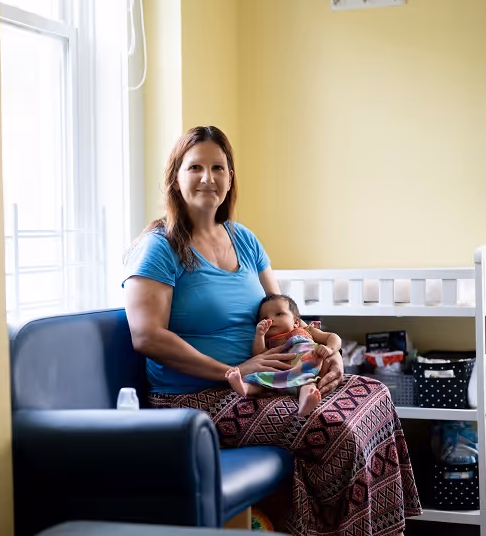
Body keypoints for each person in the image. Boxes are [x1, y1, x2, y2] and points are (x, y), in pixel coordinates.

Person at [122, 125, 421, 536]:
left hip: (266, 382)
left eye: (218, 167)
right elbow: (147, 337)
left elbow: (287, 319)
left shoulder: (244, 240)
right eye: (195, 167)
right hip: (194, 398)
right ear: (175, 176)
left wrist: (326, 351)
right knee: (336, 428)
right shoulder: (161, 246)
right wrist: (235, 371)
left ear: (230, 179)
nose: (208, 178)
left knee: (375, 394)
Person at [225, 294, 342, 416]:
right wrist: (259, 335)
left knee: (308, 384)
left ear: (296, 321)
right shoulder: (269, 340)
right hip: (279, 374)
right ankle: (243, 387)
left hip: (305, 369)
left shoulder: (307, 330)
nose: (271, 319)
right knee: (258, 379)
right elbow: (259, 355)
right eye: (264, 318)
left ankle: (305, 404)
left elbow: (332, 337)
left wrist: (330, 349)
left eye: (279, 314)